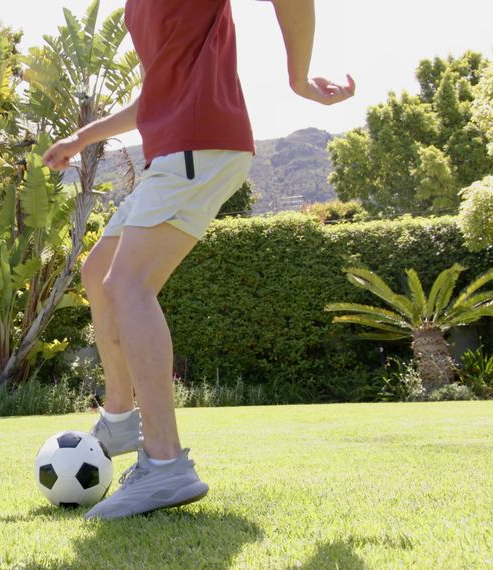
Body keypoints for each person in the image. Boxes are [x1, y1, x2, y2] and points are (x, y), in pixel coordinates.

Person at [42, 0, 355, 520]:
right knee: (99, 272)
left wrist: (297, 79)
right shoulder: (136, 9)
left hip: (199, 142)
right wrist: (82, 137)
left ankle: (165, 465)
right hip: (176, 148)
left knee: (129, 284)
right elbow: (157, 95)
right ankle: (120, 417)